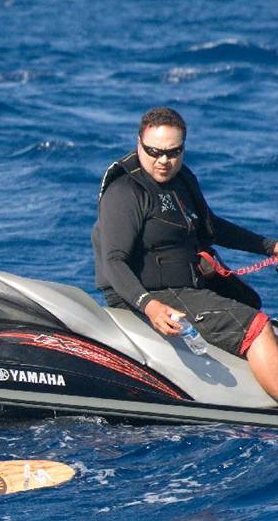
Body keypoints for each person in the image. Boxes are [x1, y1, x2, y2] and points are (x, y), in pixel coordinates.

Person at [91, 106, 278, 400]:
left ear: (183, 149)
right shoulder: (125, 192)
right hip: (152, 293)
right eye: (154, 152)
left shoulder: (182, 180)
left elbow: (211, 227)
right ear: (139, 143)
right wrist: (149, 305)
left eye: (173, 152)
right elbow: (113, 262)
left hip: (187, 288)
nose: (163, 161)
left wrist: (270, 247)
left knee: (250, 302)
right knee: (257, 326)